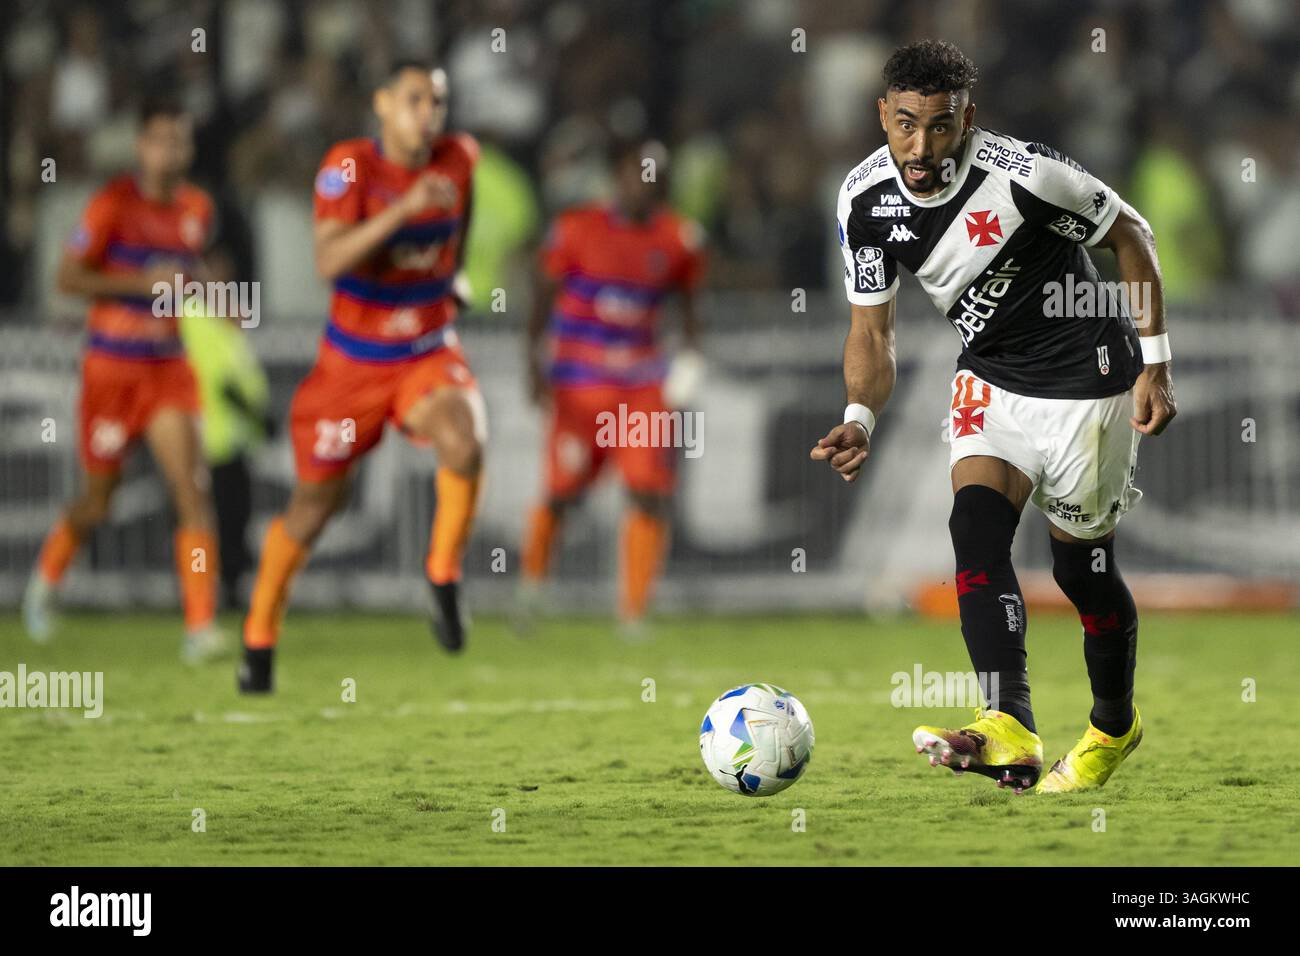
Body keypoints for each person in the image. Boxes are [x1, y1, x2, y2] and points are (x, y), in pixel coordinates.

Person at [811, 40, 1177, 794]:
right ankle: (1007, 724)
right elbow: (872, 333)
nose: (921, 146)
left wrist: (1156, 364)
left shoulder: (1026, 177)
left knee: (1084, 571)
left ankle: (1115, 725)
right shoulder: (863, 199)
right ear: (882, 114)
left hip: (1088, 383)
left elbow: (1131, 236)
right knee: (973, 530)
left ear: (967, 119)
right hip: (991, 379)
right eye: (906, 124)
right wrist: (859, 415)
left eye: (941, 127)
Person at [238, 63, 484, 693]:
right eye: (413, 99)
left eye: (437, 100)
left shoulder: (459, 157)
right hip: (352, 367)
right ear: (381, 103)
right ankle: (259, 640)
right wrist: (403, 209)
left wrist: (452, 275)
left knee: (464, 439)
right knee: (314, 507)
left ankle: (442, 576)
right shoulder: (348, 166)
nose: (427, 112)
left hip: (425, 350)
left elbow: (462, 219)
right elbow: (328, 259)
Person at [23, 99, 225, 663]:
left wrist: (214, 295)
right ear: (141, 147)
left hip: (166, 370)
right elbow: (67, 277)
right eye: (161, 139)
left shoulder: (197, 208)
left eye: (180, 141)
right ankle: (47, 577)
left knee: (193, 491)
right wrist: (142, 284)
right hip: (111, 371)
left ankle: (200, 625)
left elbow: (192, 274)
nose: (171, 151)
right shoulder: (113, 203)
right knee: (98, 502)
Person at [520, 140, 705, 633]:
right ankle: (530, 589)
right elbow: (541, 295)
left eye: (655, 178)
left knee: (647, 490)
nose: (645, 185)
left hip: (641, 383)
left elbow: (687, 302)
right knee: (563, 493)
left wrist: (689, 354)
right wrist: (533, 364)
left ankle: (633, 612)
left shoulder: (677, 238)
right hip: (580, 383)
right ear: (617, 176)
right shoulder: (575, 229)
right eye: (636, 174)